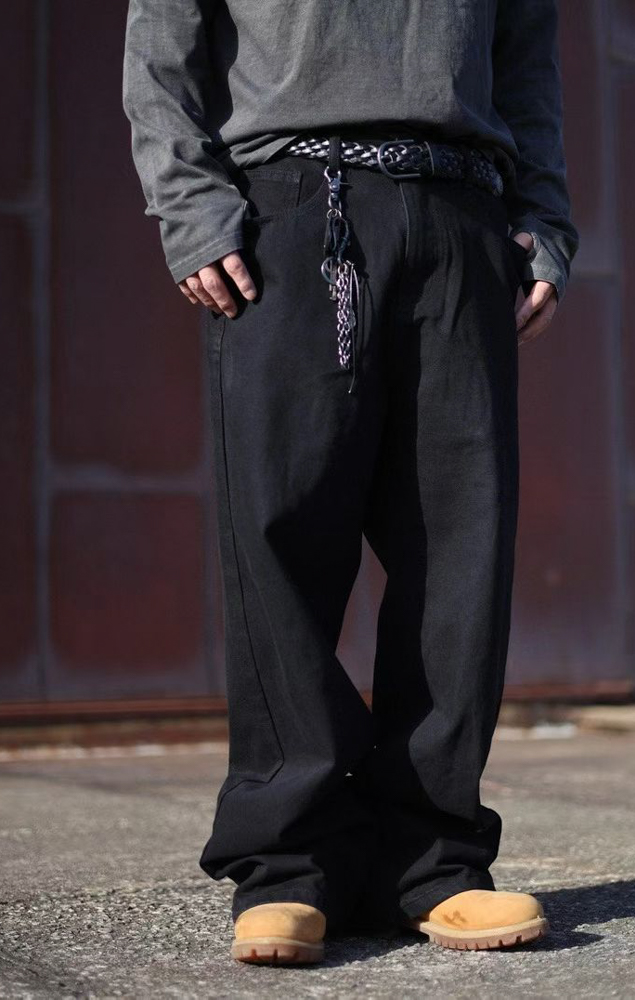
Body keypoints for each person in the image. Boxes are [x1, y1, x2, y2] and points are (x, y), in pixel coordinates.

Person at [123, 0, 579, 965]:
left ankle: (435, 862)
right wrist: (191, 206)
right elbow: (162, 45)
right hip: (293, 207)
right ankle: (288, 863)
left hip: (464, 212)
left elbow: (525, 54)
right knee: (284, 538)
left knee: (461, 550)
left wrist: (540, 212)